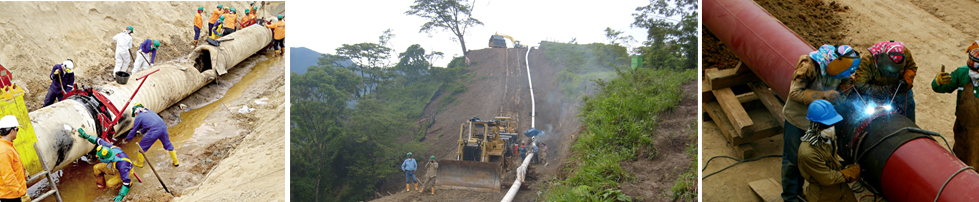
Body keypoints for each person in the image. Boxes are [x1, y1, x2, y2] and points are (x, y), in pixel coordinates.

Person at [781, 44, 860, 202]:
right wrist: (824, 95)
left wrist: (843, 92)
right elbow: (794, 93)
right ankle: (791, 197)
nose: (845, 75)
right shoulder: (809, 65)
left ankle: (820, 191)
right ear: (834, 62)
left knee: (826, 156)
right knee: (793, 161)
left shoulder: (842, 67)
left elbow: (846, 81)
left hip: (824, 120)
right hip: (798, 120)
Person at [798, 100, 861, 202]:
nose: (830, 128)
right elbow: (826, 179)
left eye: (832, 124)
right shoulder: (808, 153)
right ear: (815, 125)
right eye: (826, 125)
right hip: (824, 194)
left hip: (841, 189)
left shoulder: (828, 136)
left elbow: (833, 156)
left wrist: (845, 165)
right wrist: (847, 174)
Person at [932, 40, 979, 167]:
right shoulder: (962, 73)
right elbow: (939, 88)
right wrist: (938, 82)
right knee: (960, 163)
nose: (973, 73)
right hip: (961, 130)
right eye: (972, 69)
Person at [853, 40, 918, 121]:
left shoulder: (904, 52)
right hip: (876, 96)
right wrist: (886, 90)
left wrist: (907, 80)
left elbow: (911, 67)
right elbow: (860, 85)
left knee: (909, 115)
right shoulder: (869, 60)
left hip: (900, 91)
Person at [77, 128, 134, 202]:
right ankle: (101, 188)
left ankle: (124, 186)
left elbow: (126, 181)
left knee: (110, 184)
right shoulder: (109, 148)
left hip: (125, 172)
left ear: (107, 159)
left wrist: (121, 195)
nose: (98, 158)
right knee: (96, 168)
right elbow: (98, 140)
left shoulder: (122, 165)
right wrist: (87, 136)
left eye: (99, 158)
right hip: (114, 166)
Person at [0, 116, 27, 202]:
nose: (17, 132)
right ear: (12, 131)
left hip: (14, 193)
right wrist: (22, 194)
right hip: (11, 196)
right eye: (17, 129)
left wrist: (23, 171)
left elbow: (12, 165)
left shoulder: (7, 145)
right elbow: (8, 177)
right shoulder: (4, 151)